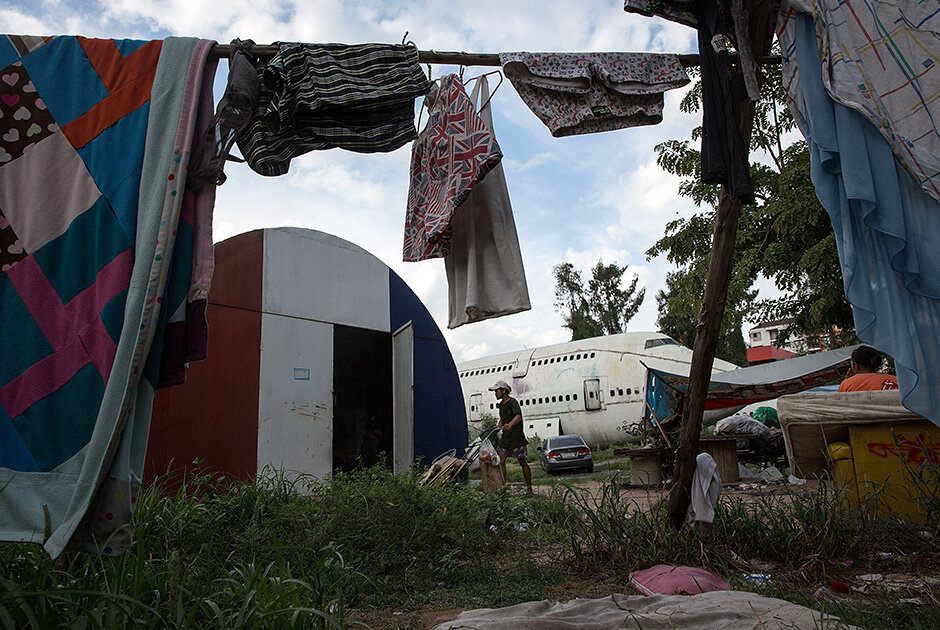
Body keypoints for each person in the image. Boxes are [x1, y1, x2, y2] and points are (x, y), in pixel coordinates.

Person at [488, 380, 533, 494]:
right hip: (506, 439)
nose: (495, 394)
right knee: (501, 461)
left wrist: (511, 424)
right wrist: (498, 426)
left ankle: (529, 489)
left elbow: (518, 416)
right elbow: (503, 418)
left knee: (522, 462)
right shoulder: (501, 405)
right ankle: (503, 488)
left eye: (497, 391)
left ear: (504, 391)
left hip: (516, 438)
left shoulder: (513, 402)